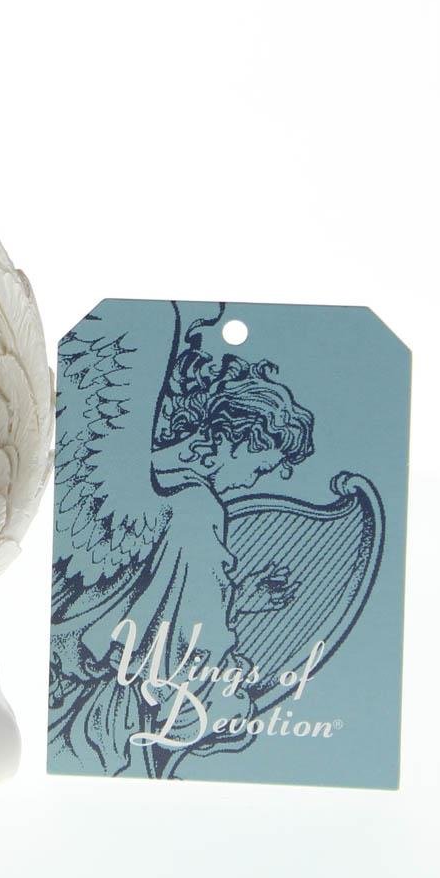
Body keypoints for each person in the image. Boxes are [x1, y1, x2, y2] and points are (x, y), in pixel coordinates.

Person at [49, 303, 314, 777]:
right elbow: (190, 646)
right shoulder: (196, 505)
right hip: (112, 696)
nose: (250, 483)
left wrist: (241, 598)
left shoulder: (148, 472)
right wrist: (221, 703)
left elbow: (138, 594)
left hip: (77, 680)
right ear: (235, 441)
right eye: (258, 467)